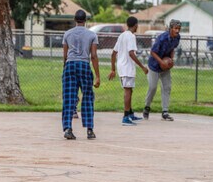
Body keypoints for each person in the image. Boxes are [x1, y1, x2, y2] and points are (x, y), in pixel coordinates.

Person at [61, 9, 100, 140]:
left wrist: (65, 68)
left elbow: (65, 55)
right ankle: (89, 129)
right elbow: (93, 56)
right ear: (85, 20)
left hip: (70, 64)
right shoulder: (91, 35)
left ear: (74, 19)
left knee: (69, 98)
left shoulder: (67, 34)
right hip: (84, 64)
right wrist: (97, 75)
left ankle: (68, 128)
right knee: (87, 96)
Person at [109, 16, 149, 126]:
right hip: (127, 67)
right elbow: (131, 53)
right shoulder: (131, 36)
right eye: (137, 25)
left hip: (122, 66)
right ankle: (125, 117)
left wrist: (113, 69)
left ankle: (130, 113)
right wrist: (142, 67)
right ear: (135, 25)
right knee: (127, 91)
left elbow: (113, 53)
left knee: (130, 90)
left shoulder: (122, 35)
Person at [143, 19, 181, 121]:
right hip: (154, 65)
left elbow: (172, 48)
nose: (177, 31)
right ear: (170, 29)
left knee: (167, 87)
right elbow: (152, 52)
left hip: (165, 66)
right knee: (153, 87)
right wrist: (161, 62)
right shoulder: (162, 38)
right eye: (175, 28)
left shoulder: (177, 38)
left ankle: (165, 112)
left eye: (179, 29)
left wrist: (171, 60)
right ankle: (147, 107)